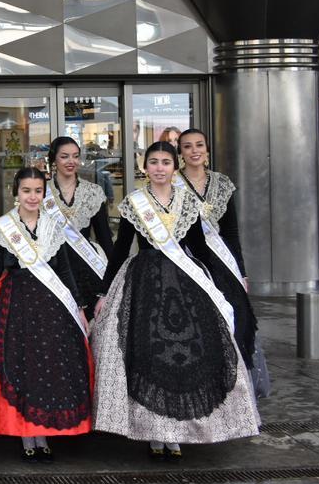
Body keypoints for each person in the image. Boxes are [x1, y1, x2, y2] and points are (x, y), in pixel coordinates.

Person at [93, 142, 260, 460]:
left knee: (187, 356)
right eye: (153, 162)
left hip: (185, 283)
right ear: (145, 167)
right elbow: (120, 249)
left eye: (165, 162)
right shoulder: (134, 203)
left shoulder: (188, 203)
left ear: (174, 166)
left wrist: (218, 286)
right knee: (149, 356)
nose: (159, 168)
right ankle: (154, 434)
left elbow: (200, 248)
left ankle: (179, 433)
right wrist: (103, 292)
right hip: (144, 283)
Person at [0, 167, 93, 463]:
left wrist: (79, 306)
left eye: (38, 191)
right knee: (20, 364)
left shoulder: (54, 227)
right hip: (14, 304)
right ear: (15, 193)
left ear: (44, 194)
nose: (32, 196)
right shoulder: (3, 228)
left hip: (50, 307)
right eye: (26, 191)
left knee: (48, 366)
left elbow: (65, 270)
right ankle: (24, 434)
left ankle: (42, 432)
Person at [176, 128, 267, 397]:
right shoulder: (172, 183)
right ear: (180, 152)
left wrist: (242, 271)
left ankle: (236, 389)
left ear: (207, 149)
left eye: (199, 145)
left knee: (237, 318)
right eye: (188, 146)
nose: (194, 151)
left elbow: (230, 232)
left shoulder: (222, 184)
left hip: (222, 262)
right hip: (187, 259)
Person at [45, 137, 114, 313]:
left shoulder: (93, 192)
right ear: (53, 159)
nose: (71, 161)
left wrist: (113, 276)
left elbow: (104, 237)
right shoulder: (41, 192)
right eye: (64, 156)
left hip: (87, 269)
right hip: (52, 270)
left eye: (75, 156)